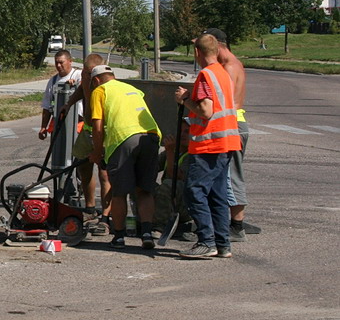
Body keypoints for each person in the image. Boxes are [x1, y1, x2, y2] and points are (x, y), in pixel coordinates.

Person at [175, 34, 242, 259]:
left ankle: (206, 241)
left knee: (194, 191)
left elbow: (205, 110)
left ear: (197, 53)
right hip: (226, 142)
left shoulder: (206, 75)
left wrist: (185, 99)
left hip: (209, 144)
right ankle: (222, 244)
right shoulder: (222, 73)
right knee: (217, 195)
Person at [87, 65, 162, 250]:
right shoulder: (132, 89)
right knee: (144, 190)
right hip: (151, 136)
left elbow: (97, 126)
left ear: (96, 80)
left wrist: (97, 152)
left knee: (119, 192)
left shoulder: (100, 90)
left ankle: (119, 237)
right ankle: (146, 232)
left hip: (124, 139)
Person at [199, 27, 260, 242]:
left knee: (230, 176)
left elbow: (222, 101)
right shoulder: (230, 64)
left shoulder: (229, 66)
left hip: (232, 125)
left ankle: (236, 226)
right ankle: (232, 222)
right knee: (227, 175)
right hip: (233, 124)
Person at [59, 53, 112, 228]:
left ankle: (106, 215)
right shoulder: (86, 81)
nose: (86, 76)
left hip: (103, 131)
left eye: (88, 73)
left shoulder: (105, 84)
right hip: (88, 130)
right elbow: (81, 91)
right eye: (84, 73)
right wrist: (68, 105)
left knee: (105, 173)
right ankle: (90, 209)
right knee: (82, 165)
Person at [38, 50, 81, 141]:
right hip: (58, 122)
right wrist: (43, 127)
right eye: (56, 62)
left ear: (70, 61)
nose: (58, 65)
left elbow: (85, 87)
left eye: (61, 62)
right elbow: (47, 106)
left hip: (77, 122)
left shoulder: (78, 75)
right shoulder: (53, 81)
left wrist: (76, 85)